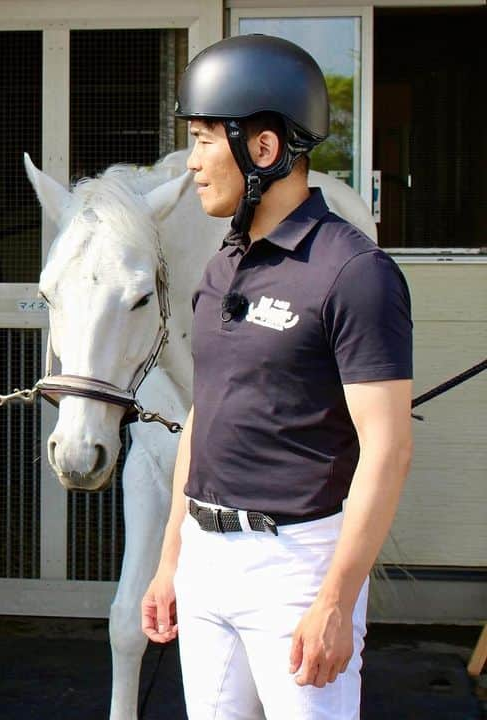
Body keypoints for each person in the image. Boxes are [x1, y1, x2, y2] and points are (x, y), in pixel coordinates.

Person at [140, 35, 414, 719]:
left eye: (204, 141)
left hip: (296, 568)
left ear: (263, 149)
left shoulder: (354, 273)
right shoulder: (223, 267)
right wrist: (173, 558)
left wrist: (336, 601)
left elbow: (388, 449)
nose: (192, 164)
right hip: (206, 562)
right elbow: (206, 417)